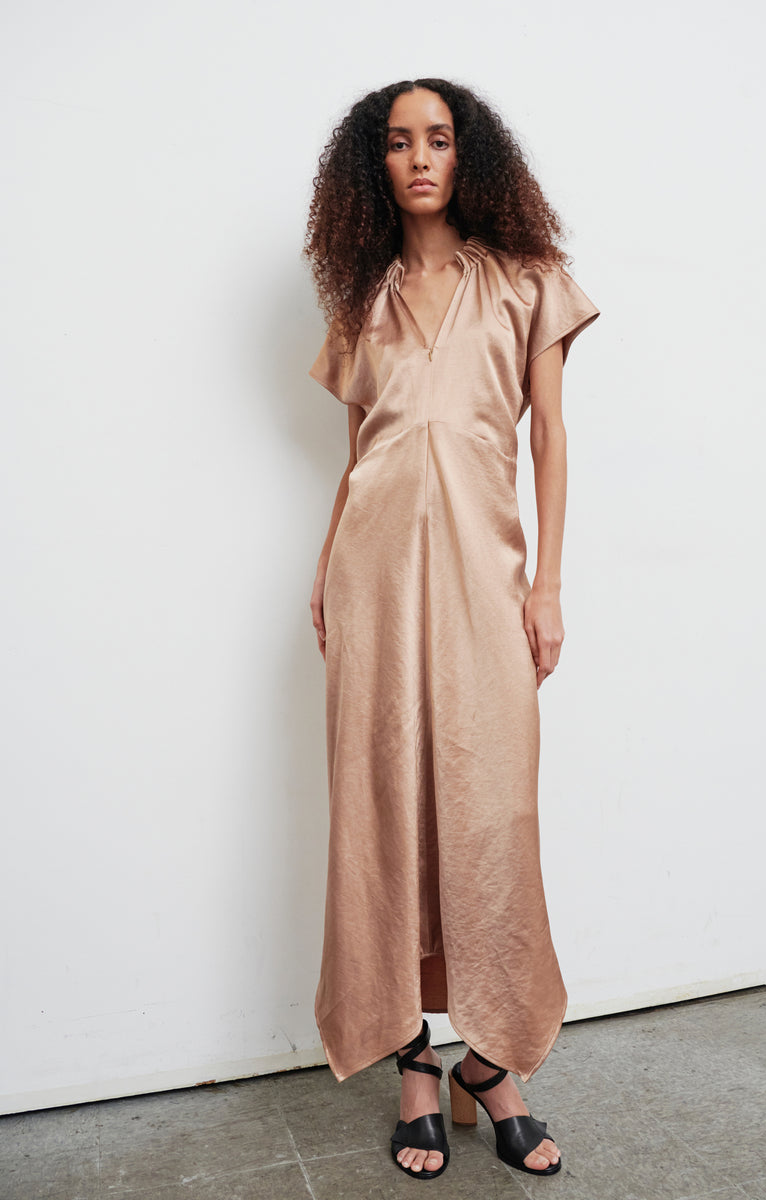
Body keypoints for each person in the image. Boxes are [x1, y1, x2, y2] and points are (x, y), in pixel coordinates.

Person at [305, 77, 598, 1181]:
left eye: (438, 139)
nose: (419, 158)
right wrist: (327, 573)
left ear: (469, 153)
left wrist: (549, 586)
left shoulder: (528, 282)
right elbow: (358, 461)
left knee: (486, 810)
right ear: (370, 166)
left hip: (486, 583)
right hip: (371, 578)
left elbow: (550, 440)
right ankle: (415, 1061)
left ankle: (495, 1058)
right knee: (386, 813)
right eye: (396, 143)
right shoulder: (361, 300)